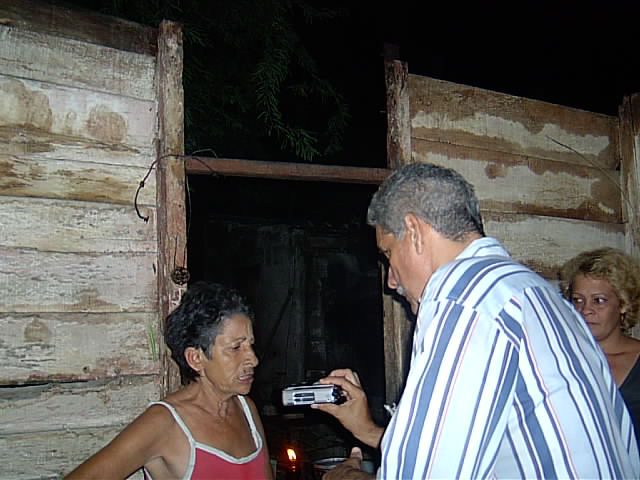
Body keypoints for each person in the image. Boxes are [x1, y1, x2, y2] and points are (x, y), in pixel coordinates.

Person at [312, 162, 640, 479]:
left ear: (414, 232)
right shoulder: (541, 295)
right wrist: (367, 429)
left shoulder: (462, 299)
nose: (391, 281)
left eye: (388, 254)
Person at [65, 281, 273, 480]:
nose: (253, 360)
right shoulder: (164, 423)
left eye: (250, 345)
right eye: (236, 347)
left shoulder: (247, 410)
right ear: (196, 358)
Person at [559, 247, 640, 449]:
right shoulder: (563, 357)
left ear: (623, 304)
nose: (586, 310)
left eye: (599, 301)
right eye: (578, 300)